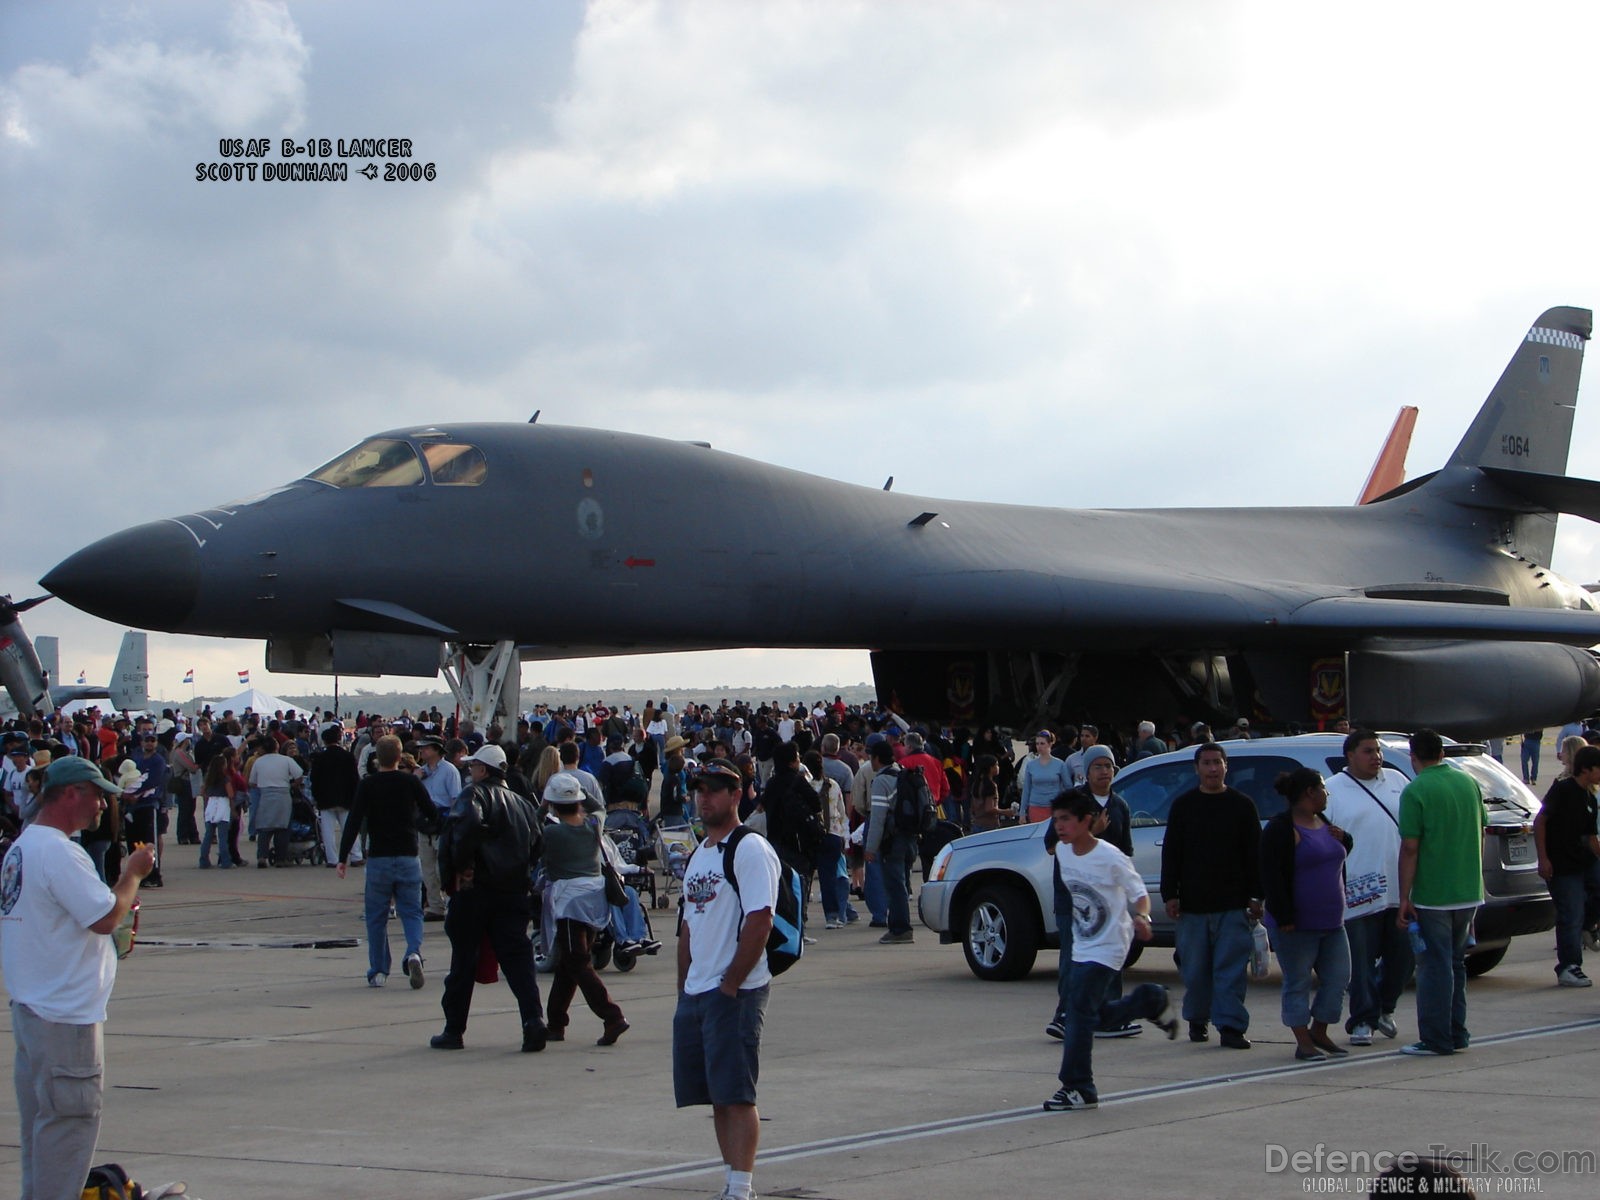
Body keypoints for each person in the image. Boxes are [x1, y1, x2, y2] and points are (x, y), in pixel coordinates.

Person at [1, 756, 154, 1200]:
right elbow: (106, 917)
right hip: (64, 1017)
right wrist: (132, 875)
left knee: (43, 1136)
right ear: (71, 794)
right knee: (68, 1130)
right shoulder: (57, 851)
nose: (104, 805)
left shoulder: (23, 847)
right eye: (98, 795)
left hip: (34, 1008)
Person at [673, 759, 780, 1200]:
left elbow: (761, 920)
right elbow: (687, 926)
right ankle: (730, 1179)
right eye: (700, 789)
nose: (705, 797)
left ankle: (741, 1188)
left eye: (715, 790)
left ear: (737, 796)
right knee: (716, 1096)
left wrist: (732, 982)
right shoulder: (700, 853)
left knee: (737, 1094)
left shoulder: (750, 849)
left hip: (733, 992)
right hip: (698, 993)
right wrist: (684, 990)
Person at [1042, 791, 1176, 1112]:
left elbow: (1139, 893)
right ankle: (1150, 1000)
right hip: (1082, 944)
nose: (1059, 826)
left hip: (1110, 945)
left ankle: (1078, 1087)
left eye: (1065, 819)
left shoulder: (1111, 856)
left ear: (1086, 821)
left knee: (1076, 1015)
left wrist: (1142, 917)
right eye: (1056, 819)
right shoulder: (1063, 852)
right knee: (1091, 1015)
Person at [432, 743, 547, 1051]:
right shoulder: (523, 805)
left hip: (476, 891)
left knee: (464, 962)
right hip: (512, 892)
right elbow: (538, 845)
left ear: (483, 770)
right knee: (518, 960)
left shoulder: (474, 794)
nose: (470, 771)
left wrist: (458, 868)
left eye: (473, 767)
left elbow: (463, 827)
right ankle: (533, 1021)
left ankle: (454, 1030)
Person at [1159, 742, 1262, 1048]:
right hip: (1192, 905)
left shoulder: (1242, 805)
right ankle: (1197, 1018)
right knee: (1195, 969)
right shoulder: (1183, 805)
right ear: (1197, 768)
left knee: (1230, 969)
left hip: (1233, 903)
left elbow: (1255, 855)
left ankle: (1231, 1027)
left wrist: (1257, 895)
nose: (1213, 769)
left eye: (1218, 762)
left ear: (1226, 767)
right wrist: (1170, 894)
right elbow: (1172, 853)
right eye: (1206, 763)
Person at [1397, 728, 1486, 1057]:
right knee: (1456, 963)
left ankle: (1435, 1037)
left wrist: (1404, 896)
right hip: (1469, 889)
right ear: (1442, 753)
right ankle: (1456, 1031)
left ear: (1414, 756)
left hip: (1434, 893)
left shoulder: (1416, 790)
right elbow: (1482, 830)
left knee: (1434, 966)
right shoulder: (1468, 783)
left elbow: (1410, 847)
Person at [1323, 730, 1412, 1045]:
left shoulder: (1399, 782)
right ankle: (1362, 1019)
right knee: (1360, 962)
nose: (1376, 756)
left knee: (1403, 958)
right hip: (1358, 893)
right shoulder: (1332, 790)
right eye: (1368, 751)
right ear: (1350, 755)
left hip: (1400, 890)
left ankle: (1385, 1007)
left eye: (1378, 750)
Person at [1260, 768, 1353, 1061]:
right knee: (1297, 981)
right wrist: (1284, 914)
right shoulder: (1281, 829)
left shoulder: (1323, 821)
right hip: (1296, 924)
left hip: (1332, 921)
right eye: (1323, 789)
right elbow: (1271, 875)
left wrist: (1346, 839)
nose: (1327, 794)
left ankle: (1320, 1030)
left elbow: (1337, 853)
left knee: (1339, 977)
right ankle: (1303, 1041)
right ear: (1309, 792)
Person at [338, 734, 436, 989]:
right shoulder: (410, 782)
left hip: (379, 856)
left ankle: (379, 970)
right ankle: (413, 952)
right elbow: (431, 812)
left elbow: (354, 820)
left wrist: (342, 857)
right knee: (412, 911)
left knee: (377, 916)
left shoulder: (368, 785)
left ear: (375, 758)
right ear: (400, 755)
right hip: (407, 854)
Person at [539, 773, 629, 1045]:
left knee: (577, 962)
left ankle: (612, 1016)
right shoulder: (592, 826)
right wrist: (578, 790)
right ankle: (555, 1022)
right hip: (593, 899)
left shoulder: (552, 832)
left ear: (554, 805)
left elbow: (532, 826)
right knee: (570, 963)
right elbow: (599, 807)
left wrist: (542, 806)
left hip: (569, 902)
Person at [1534, 743, 1600, 987]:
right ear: (1587, 769)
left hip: (1585, 861)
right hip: (1563, 865)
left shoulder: (1590, 798)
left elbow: (1591, 838)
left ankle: (1588, 926)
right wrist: (1543, 858)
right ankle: (1569, 966)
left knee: (1594, 896)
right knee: (1570, 913)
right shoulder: (1563, 790)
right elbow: (1540, 821)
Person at [863, 739, 916, 944]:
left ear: (876, 759)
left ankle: (901, 929)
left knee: (894, 886)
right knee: (902, 883)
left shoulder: (881, 781)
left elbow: (878, 818)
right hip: (909, 837)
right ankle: (901, 926)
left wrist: (870, 847)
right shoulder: (903, 773)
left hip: (892, 841)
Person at [415, 735, 461, 921]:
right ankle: (435, 906)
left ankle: (451, 902)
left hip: (443, 820)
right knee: (427, 867)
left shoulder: (449, 771)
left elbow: (455, 799)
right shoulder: (421, 773)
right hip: (424, 821)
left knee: (441, 867)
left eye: (426, 748)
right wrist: (415, 778)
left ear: (436, 750)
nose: (423, 751)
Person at [310, 724, 362, 869]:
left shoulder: (320, 758)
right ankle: (356, 856)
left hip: (325, 798)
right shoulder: (347, 756)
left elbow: (314, 779)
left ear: (324, 741)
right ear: (338, 739)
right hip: (345, 797)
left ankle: (332, 859)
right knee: (349, 829)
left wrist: (316, 796)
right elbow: (354, 778)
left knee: (328, 831)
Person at [248, 737, 303, 868]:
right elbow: (299, 776)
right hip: (283, 794)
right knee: (282, 828)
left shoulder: (258, 762)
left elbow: (252, 782)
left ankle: (262, 857)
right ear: (277, 747)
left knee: (264, 827)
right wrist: (293, 785)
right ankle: (280, 858)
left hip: (265, 795)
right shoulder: (286, 760)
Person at [1020, 730, 1071, 824]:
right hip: (1035, 807)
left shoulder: (1060, 764)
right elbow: (1026, 789)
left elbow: (1068, 787)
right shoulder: (1031, 765)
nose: (1039, 746)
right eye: (1037, 743)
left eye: (1042, 743)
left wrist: (1067, 807)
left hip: (1054, 807)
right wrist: (1022, 813)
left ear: (1050, 744)